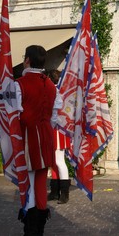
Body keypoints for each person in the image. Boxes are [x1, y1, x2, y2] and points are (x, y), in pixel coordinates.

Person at [15, 45, 57, 235]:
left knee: (29, 183)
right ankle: (37, 229)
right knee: (40, 183)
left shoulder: (20, 83)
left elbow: (14, 115)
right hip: (46, 137)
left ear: (27, 60)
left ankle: (31, 229)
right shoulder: (51, 84)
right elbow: (55, 116)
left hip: (28, 138)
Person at [47, 69, 71, 204]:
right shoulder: (60, 91)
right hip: (55, 128)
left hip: (57, 129)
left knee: (59, 161)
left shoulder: (56, 91)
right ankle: (55, 191)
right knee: (53, 161)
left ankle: (64, 193)